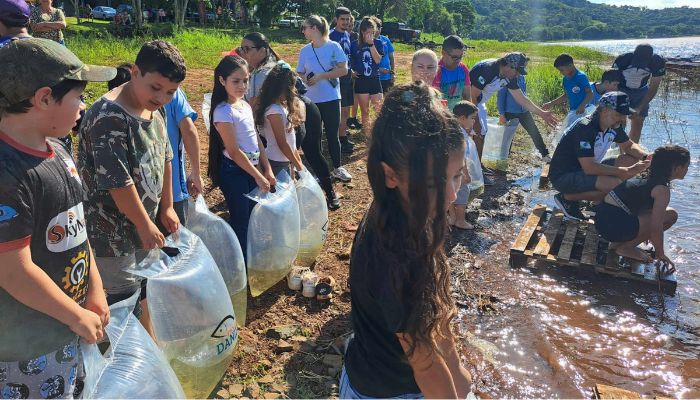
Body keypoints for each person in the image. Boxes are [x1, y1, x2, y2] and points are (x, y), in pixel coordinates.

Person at [341, 82, 473, 398]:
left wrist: (461, 376)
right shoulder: (392, 254)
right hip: (386, 391)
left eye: (456, 176)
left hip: (395, 372)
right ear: (389, 175)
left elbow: (433, 317)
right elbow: (425, 365)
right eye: (433, 183)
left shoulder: (407, 211)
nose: (452, 195)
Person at [0, 38, 114, 399]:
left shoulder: (59, 149)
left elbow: (76, 228)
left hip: (67, 326)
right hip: (26, 346)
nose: (84, 106)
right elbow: (13, 271)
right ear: (44, 98)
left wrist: (94, 289)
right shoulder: (8, 173)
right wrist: (74, 315)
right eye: (78, 97)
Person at [78, 41, 184, 337]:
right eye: (155, 87)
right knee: (121, 302)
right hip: (111, 234)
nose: (162, 97)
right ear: (135, 72)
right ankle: (124, 368)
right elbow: (118, 182)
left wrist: (167, 206)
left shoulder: (155, 109)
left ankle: (148, 349)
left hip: (143, 227)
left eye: (170, 92)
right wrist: (144, 223)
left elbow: (166, 158)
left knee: (144, 289)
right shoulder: (108, 116)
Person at [239, 32, 340, 209]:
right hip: (292, 115)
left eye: (248, 49)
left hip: (295, 117)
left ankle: (325, 194)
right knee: (301, 156)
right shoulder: (267, 68)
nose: (244, 53)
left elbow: (255, 103)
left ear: (263, 50)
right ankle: (313, 197)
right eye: (242, 49)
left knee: (298, 155)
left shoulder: (263, 73)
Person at [208, 55, 275, 261]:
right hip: (235, 171)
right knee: (241, 218)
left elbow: (256, 139)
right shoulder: (223, 112)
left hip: (253, 169)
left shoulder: (244, 105)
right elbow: (234, 151)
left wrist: (267, 168)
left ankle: (254, 256)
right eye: (235, 81)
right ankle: (242, 263)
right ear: (222, 81)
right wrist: (258, 176)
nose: (242, 85)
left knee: (255, 214)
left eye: (245, 80)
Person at [549, 92, 650, 220]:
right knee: (615, 184)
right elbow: (590, 168)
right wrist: (624, 172)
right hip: (563, 176)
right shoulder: (585, 128)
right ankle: (566, 198)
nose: (622, 119)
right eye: (618, 114)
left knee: (631, 159)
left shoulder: (613, 125)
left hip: (585, 170)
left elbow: (629, 146)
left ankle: (596, 203)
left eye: (624, 115)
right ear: (604, 110)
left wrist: (648, 158)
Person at [594, 145, 688, 265]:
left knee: (658, 212)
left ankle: (618, 243)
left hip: (602, 222)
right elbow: (656, 227)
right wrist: (660, 253)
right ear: (677, 168)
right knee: (671, 215)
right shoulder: (662, 190)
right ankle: (626, 248)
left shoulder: (645, 174)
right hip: (612, 226)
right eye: (686, 166)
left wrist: (645, 232)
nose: (687, 169)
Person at [469, 52, 558, 159]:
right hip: (467, 100)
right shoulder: (487, 70)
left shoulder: (509, 77)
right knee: (475, 131)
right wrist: (475, 120)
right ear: (509, 65)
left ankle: (479, 167)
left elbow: (522, 99)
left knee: (482, 132)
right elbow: (472, 97)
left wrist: (542, 113)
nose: (518, 75)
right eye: (518, 71)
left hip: (479, 102)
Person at [297, 15, 352, 182]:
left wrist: (321, 76)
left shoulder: (334, 47)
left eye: (305, 27)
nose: (303, 31)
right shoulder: (305, 50)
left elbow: (343, 70)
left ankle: (337, 167)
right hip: (311, 100)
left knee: (332, 134)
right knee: (314, 136)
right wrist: (304, 78)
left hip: (331, 98)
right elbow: (299, 72)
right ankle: (320, 171)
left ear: (314, 28)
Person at [254, 62, 305, 176]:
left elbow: (291, 142)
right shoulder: (274, 111)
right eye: (292, 86)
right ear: (284, 88)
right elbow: (282, 143)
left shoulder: (281, 107)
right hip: (277, 162)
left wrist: (297, 162)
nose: (293, 90)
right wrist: (297, 165)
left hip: (285, 160)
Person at [612, 44, 666, 143]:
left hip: (642, 91)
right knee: (619, 120)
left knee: (638, 122)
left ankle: (633, 150)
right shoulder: (623, 59)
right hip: (622, 89)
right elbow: (612, 82)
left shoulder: (657, 62)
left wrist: (639, 108)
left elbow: (653, 88)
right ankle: (618, 146)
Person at [164, 88, 203, 226]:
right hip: (172, 189)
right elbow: (189, 131)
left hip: (142, 190)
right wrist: (196, 173)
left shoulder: (133, 88)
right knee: (177, 241)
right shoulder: (173, 92)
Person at [497, 74, 550, 161]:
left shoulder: (522, 77)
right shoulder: (507, 78)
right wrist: (502, 114)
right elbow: (500, 97)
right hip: (510, 112)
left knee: (534, 132)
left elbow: (524, 94)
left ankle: (545, 154)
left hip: (524, 111)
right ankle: (503, 158)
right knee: (507, 136)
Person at [349, 16, 384, 136]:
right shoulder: (354, 45)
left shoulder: (378, 43)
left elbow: (378, 60)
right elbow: (350, 61)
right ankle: (366, 132)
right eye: (368, 32)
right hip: (361, 80)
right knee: (364, 110)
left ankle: (379, 132)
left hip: (374, 79)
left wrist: (371, 45)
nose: (371, 35)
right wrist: (352, 71)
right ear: (362, 32)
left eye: (373, 32)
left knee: (379, 109)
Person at [329, 6, 355, 154]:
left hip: (347, 77)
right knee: (338, 111)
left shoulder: (347, 34)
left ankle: (342, 137)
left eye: (348, 19)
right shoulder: (331, 36)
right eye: (342, 19)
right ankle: (338, 140)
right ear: (336, 19)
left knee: (345, 110)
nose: (345, 22)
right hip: (335, 79)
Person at [448, 101, 477, 230]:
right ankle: (460, 220)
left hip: (449, 169)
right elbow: (462, 156)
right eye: (472, 118)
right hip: (458, 169)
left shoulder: (452, 129)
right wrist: (465, 173)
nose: (474, 122)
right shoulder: (460, 135)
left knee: (451, 191)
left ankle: (452, 217)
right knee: (463, 192)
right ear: (462, 118)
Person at [432, 35, 471, 111]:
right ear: (443, 53)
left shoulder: (463, 69)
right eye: (455, 57)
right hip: (441, 115)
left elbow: (467, 97)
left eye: (461, 56)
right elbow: (435, 101)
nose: (458, 60)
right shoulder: (436, 71)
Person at [375, 18, 395, 94]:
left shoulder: (385, 40)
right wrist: (379, 69)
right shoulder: (369, 42)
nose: (377, 30)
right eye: (375, 28)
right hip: (375, 77)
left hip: (387, 76)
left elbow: (391, 58)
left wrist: (393, 73)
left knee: (388, 99)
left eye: (379, 28)